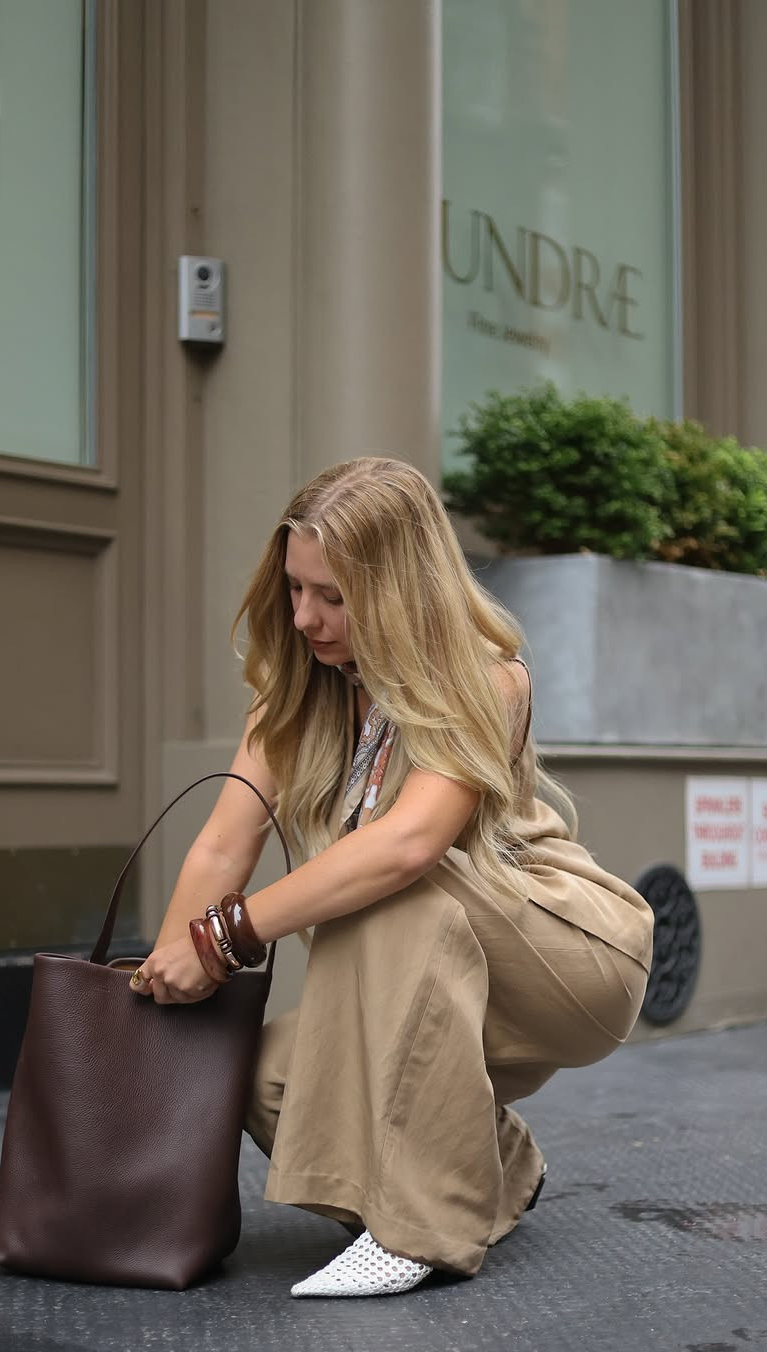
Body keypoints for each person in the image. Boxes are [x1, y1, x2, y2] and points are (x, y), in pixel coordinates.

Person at [130, 457, 654, 1298]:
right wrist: (163, 995)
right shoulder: (295, 700)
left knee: (392, 887)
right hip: (434, 961)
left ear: (402, 590)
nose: (305, 617)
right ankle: (499, 1164)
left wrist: (223, 939)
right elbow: (222, 849)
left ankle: (420, 1232)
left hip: (565, 951)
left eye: (333, 597)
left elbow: (409, 845)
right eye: (295, 589)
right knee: (269, 1084)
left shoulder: (489, 678)